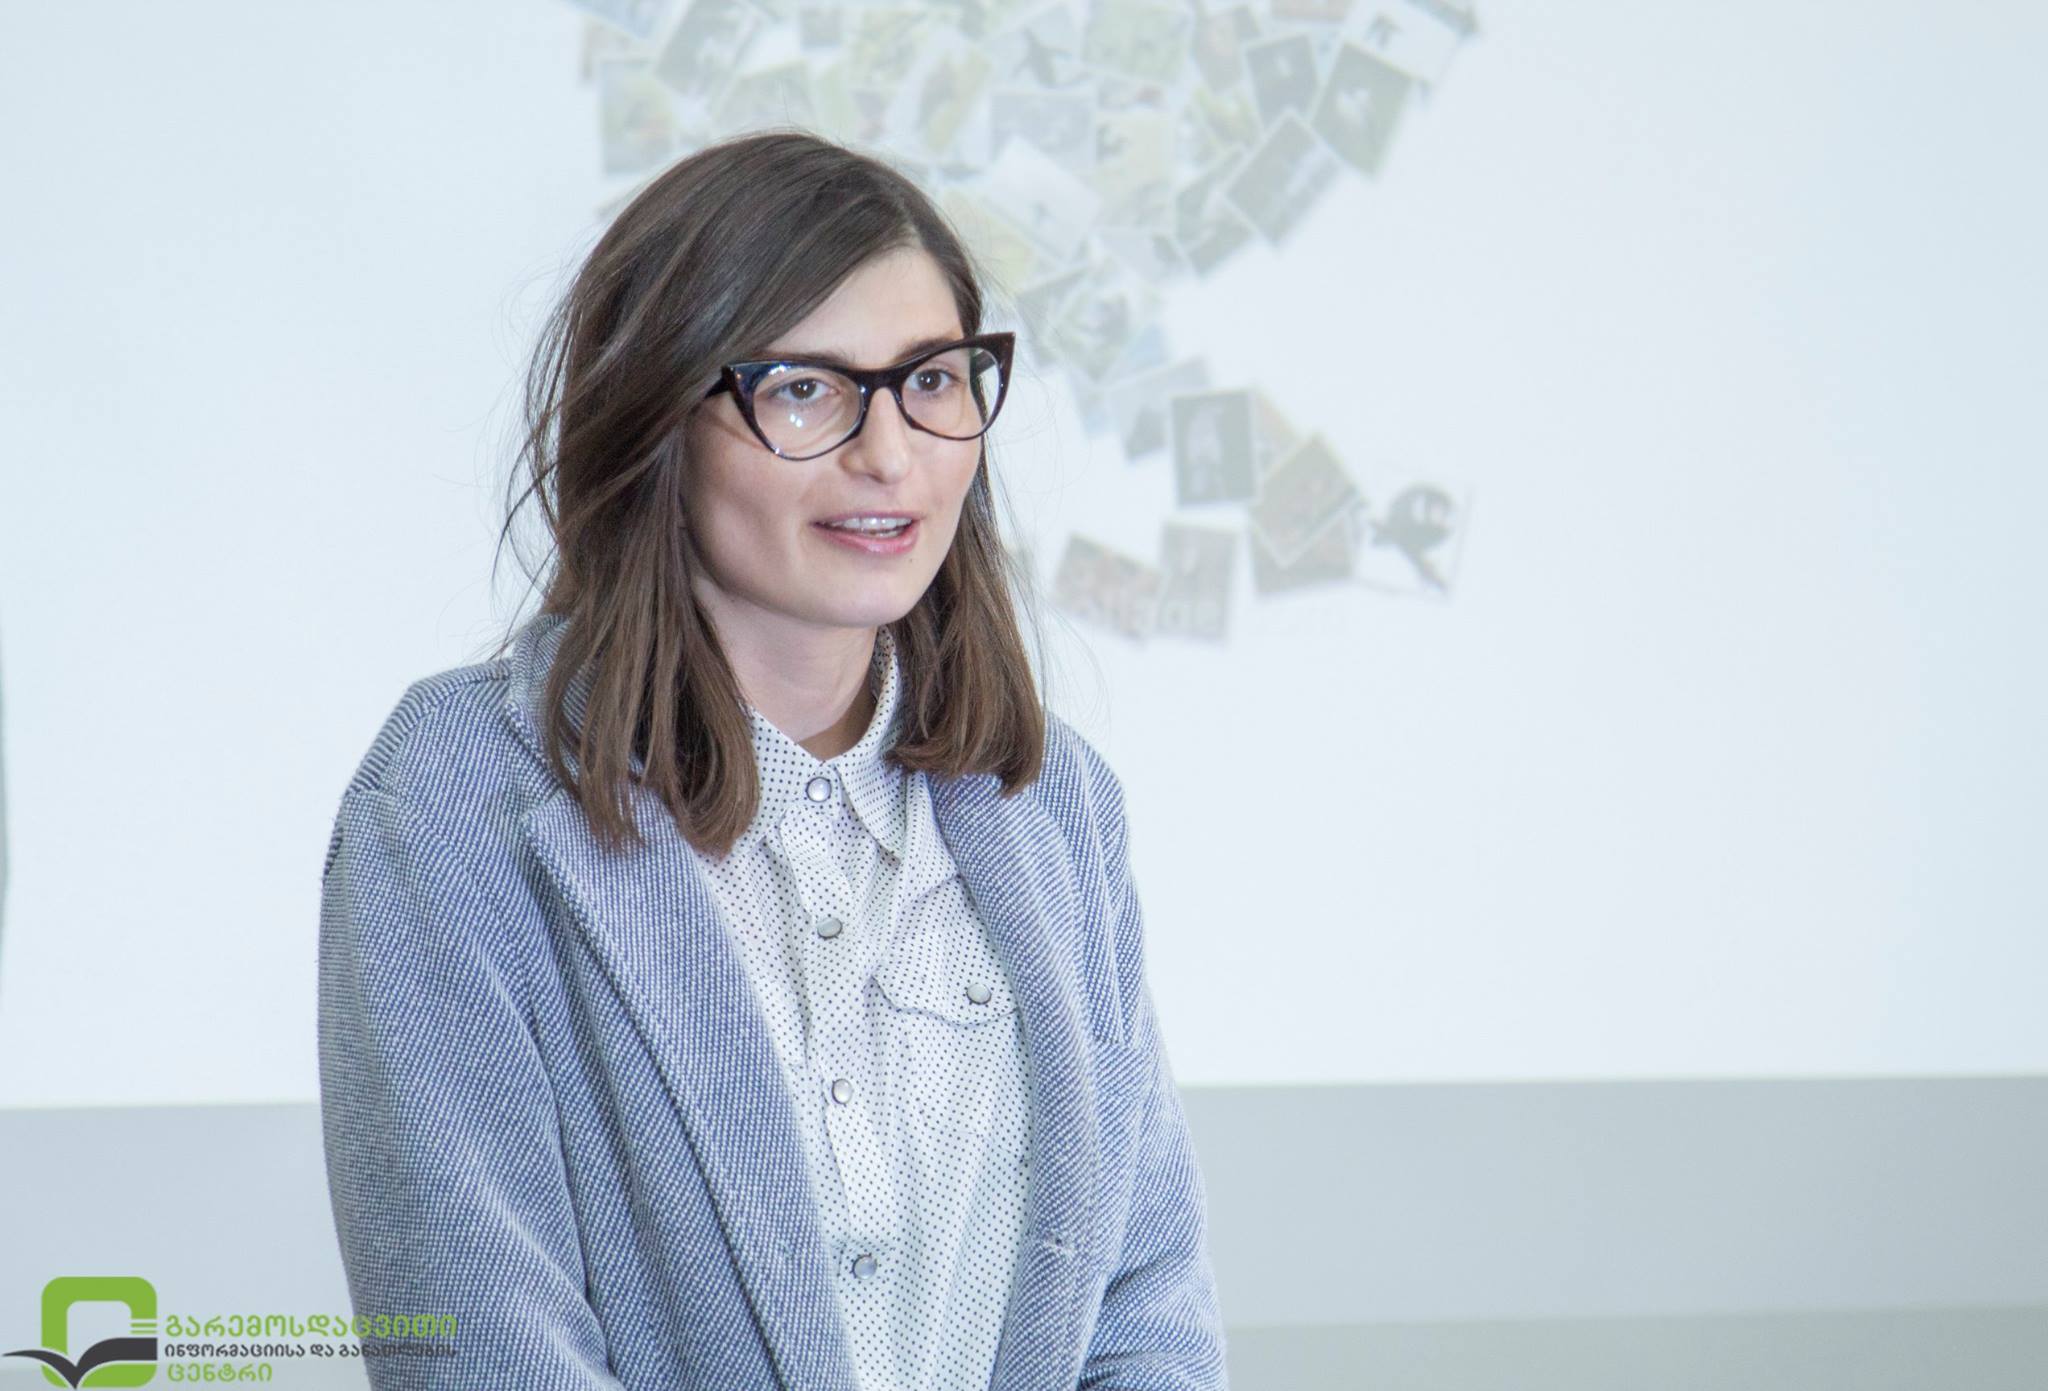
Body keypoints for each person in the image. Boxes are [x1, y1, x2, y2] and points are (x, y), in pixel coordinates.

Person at [317, 129, 1227, 1390]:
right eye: (803, 388)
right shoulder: (456, 797)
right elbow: (485, 1351)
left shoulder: (1052, 803)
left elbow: (1144, 1311)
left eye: (931, 379)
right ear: (657, 419)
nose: (889, 453)